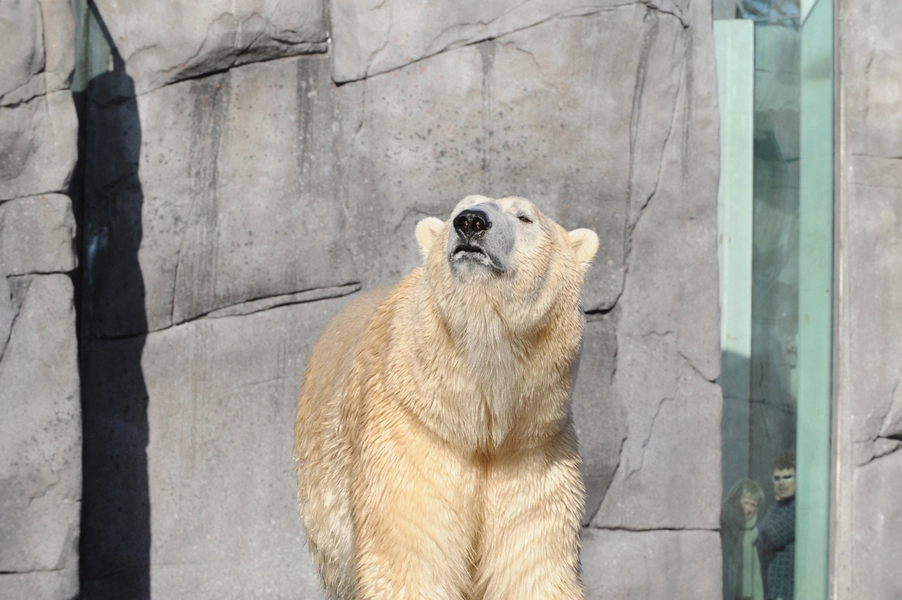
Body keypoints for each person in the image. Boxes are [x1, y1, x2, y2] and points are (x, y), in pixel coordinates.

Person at [757, 451, 796, 600]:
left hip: (788, 591)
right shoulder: (776, 507)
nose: (781, 483)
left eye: (787, 477)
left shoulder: (799, 508)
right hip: (773, 590)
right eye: (777, 478)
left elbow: (768, 538)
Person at [721, 478, 766, 600]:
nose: (749, 509)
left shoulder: (754, 534)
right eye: (746, 502)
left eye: (753, 505)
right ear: (734, 501)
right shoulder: (722, 526)